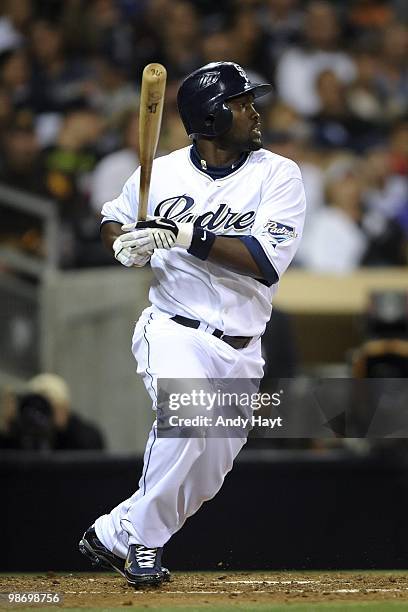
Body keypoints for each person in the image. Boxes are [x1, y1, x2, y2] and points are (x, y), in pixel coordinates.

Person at [79, 62, 306, 587]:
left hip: (243, 346)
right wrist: (124, 242)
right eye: (243, 102)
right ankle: (144, 543)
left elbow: (265, 261)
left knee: (208, 475)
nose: (254, 111)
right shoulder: (159, 174)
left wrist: (180, 236)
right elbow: (112, 217)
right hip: (174, 328)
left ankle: (115, 531)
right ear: (210, 116)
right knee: (188, 419)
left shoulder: (279, 174)